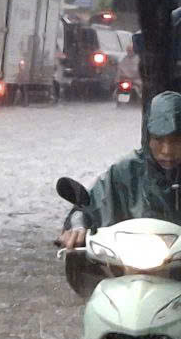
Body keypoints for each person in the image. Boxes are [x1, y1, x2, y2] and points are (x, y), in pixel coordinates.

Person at [58, 90, 181, 249]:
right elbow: (90, 208)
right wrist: (78, 225)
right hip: (129, 265)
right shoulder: (125, 172)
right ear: (147, 137)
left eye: (177, 141)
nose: (167, 150)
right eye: (158, 140)